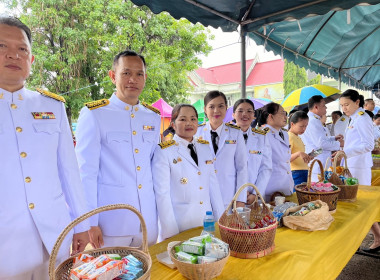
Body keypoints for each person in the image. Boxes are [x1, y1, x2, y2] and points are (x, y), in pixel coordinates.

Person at [0, 17, 90, 280]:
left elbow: (69, 171)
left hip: (55, 234)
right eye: (2, 46)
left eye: (22, 49)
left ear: (32, 60)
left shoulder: (51, 106)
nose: (13, 54)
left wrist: (82, 226)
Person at [75, 50, 160, 248]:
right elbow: (86, 173)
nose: (133, 79)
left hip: (147, 220)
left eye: (139, 74)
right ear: (113, 76)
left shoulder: (152, 117)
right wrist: (90, 222)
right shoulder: (95, 114)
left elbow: (153, 167)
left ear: (145, 78)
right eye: (126, 73)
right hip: (111, 224)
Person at [152, 104, 225, 240]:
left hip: (206, 222)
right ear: (173, 124)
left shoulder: (205, 148)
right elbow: (162, 195)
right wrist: (170, 233)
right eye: (183, 119)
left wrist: (221, 220)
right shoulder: (164, 151)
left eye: (193, 119)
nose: (189, 123)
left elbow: (213, 187)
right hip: (181, 224)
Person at [338, 89, 380, 253]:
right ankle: (376, 237)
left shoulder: (362, 118)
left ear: (357, 102)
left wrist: (345, 153)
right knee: (356, 204)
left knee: (360, 205)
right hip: (352, 165)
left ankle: (371, 239)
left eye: (347, 104)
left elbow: (369, 145)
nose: (344, 108)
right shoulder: (354, 118)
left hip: (359, 167)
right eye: (342, 105)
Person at [196, 90, 248, 208]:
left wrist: (240, 199)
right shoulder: (196, 133)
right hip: (203, 196)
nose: (216, 111)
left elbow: (242, 168)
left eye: (220, 106)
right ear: (205, 109)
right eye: (211, 107)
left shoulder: (235, 133)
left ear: (226, 108)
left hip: (228, 196)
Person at [232, 99, 272, 202]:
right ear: (233, 115)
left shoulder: (261, 137)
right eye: (240, 111)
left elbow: (266, 168)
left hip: (253, 197)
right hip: (230, 195)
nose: (245, 114)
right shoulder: (226, 137)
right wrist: (240, 193)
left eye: (249, 111)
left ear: (254, 115)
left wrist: (256, 193)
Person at [301, 95, 344, 182]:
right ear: (316, 107)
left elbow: (321, 139)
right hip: (318, 160)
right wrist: (339, 144)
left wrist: (333, 138)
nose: (326, 107)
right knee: (319, 189)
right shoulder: (313, 121)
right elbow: (321, 144)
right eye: (324, 105)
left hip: (318, 157)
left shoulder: (313, 119)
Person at [260, 103, 294, 200]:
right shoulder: (263, 135)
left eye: (285, 113)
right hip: (271, 188)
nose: (285, 117)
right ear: (270, 116)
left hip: (286, 185)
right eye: (282, 113)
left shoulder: (284, 133)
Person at [288, 111, 312, 186]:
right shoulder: (289, 137)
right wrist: (299, 154)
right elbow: (285, 158)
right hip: (296, 172)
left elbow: (299, 156)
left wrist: (308, 156)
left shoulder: (297, 137)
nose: (304, 129)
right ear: (292, 124)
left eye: (306, 126)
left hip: (304, 171)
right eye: (301, 126)